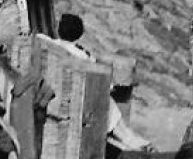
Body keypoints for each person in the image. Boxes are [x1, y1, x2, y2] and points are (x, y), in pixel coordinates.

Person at [51, 13, 152, 152]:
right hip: (81, 99)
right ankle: (129, 139)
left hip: (59, 93)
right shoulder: (82, 56)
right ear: (79, 34)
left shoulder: (53, 47)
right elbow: (97, 78)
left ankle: (128, 138)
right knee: (110, 106)